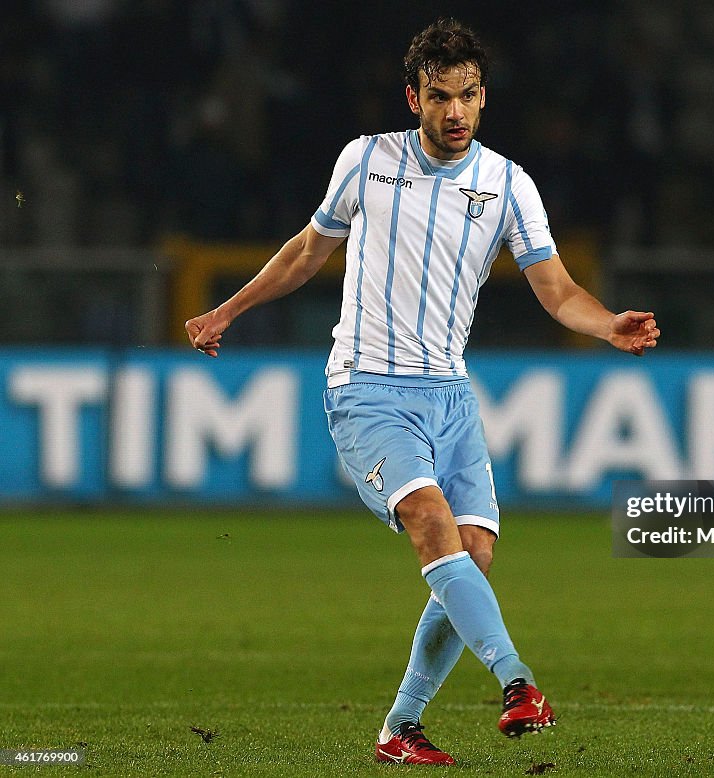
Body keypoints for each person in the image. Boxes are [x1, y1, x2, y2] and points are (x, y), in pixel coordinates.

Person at [185, 18, 659, 766]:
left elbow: (558, 290)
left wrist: (607, 327)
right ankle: (518, 682)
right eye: (440, 96)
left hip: (451, 396)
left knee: (471, 553)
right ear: (414, 97)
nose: (456, 112)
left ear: (483, 95)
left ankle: (399, 729)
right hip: (368, 388)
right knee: (432, 523)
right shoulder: (367, 161)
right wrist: (226, 311)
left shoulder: (508, 183)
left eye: (469, 95)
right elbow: (309, 252)